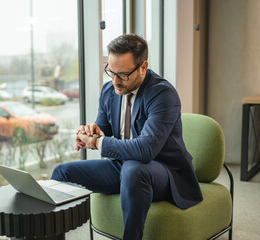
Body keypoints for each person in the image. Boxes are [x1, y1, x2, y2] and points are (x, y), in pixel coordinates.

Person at [51, 34, 203, 240]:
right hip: (122, 167)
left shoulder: (163, 94)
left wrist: (97, 142)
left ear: (143, 67)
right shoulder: (109, 90)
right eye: (110, 72)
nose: (115, 81)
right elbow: (104, 128)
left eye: (122, 75)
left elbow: (146, 150)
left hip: (164, 172)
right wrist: (91, 131)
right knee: (62, 172)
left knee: (134, 169)